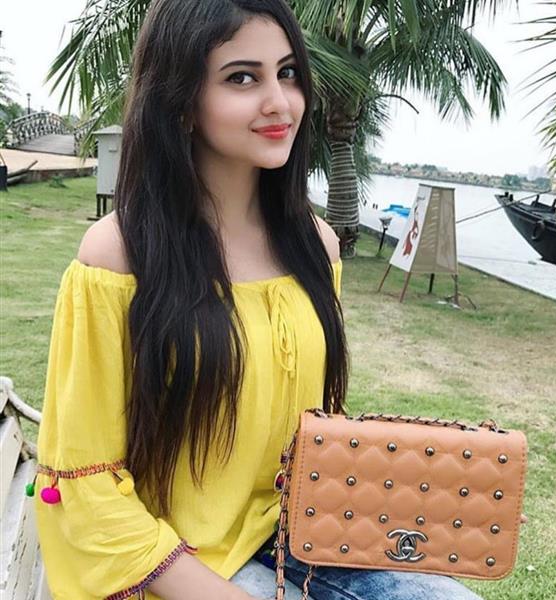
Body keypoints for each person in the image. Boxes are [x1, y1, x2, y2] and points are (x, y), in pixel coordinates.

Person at [33, 1, 481, 598]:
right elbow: (82, 483)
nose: (279, 102)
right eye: (242, 78)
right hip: (172, 560)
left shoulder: (316, 245)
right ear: (181, 101)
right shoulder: (119, 254)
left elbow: (313, 427)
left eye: (288, 73)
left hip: (303, 532)